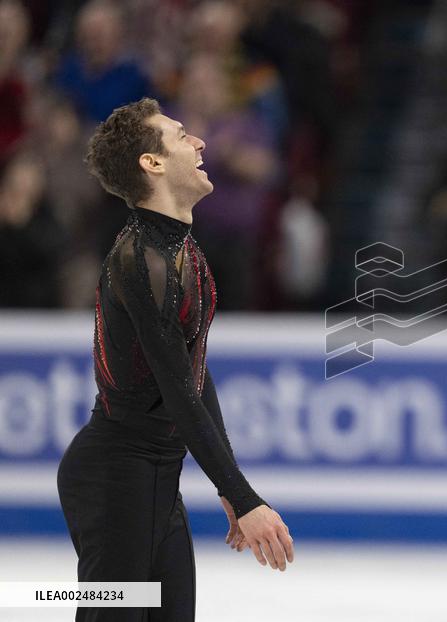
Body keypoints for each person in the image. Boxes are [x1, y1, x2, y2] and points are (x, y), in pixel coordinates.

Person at [56, 98, 293, 622]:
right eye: (181, 135)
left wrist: (232, 488)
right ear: (153, 163)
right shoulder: (144, 259)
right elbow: (178, 392)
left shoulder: (181, 250)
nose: (200, 142)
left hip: (154, 479)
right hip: (116, 479)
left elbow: (194, 377)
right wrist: (242, 496)